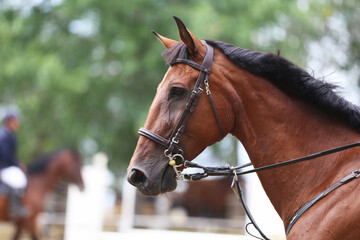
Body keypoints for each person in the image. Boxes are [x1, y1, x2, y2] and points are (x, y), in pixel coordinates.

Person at [0, 113, 28, 219]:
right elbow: (6, 154)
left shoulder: (10, 135)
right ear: (9, 121)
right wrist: (17, 164)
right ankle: (15, 208)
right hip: (3, 167)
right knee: (18, 179)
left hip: (7, 166)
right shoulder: (4, 136)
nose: (17, 123)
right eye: (15, 120)